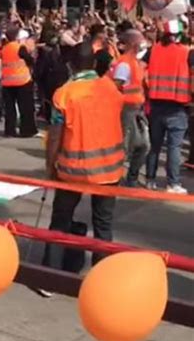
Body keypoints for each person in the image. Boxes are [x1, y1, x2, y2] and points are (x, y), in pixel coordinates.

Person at [43, 42, 125, 270]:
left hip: (72, 170)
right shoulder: (111, 89)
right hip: (109, 169)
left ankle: (50, 275)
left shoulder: (64, 94)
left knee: (60, 221)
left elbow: (55, 136)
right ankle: (101, 275)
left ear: (70, 65)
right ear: (96, 63)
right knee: (103, 225)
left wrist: (50, 167)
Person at [145, 20, 191, 194]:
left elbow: (142, 70)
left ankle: (150, 180)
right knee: (174, 147)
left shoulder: (153, 50)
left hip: (156, 105)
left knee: (155, 146)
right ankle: (173, 184)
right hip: (177, 106)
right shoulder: (187, 53)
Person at [112, 30, 149, 187]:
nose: (143, 44)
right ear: (133, 44)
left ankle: (131, 177)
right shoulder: (125, 64)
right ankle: (117, 178)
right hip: (127, 109)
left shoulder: (134, 62)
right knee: (125, 147)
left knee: (144, 146)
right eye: (140, 41)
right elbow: (116, 86)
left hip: (137, 109)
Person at [0, 23, 37, 138]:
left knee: (10, 109)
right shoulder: (19, 47)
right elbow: (29, 60)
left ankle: (9, 131)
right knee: (26, 107)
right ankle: (27, 130)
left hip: (7, 81)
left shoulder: (4, 48)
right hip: (22, 81)